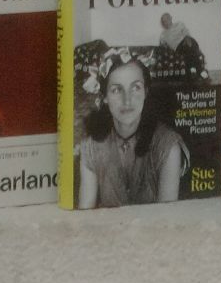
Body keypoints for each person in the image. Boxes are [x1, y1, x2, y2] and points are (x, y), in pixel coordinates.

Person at [77, 56, 187, 208]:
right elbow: (85, 211)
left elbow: (167, 216)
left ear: (145, 92)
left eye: (135, 87)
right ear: (105, 97)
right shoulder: (90, 147)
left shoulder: (167, 145)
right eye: (116, 90)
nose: (127, 100)